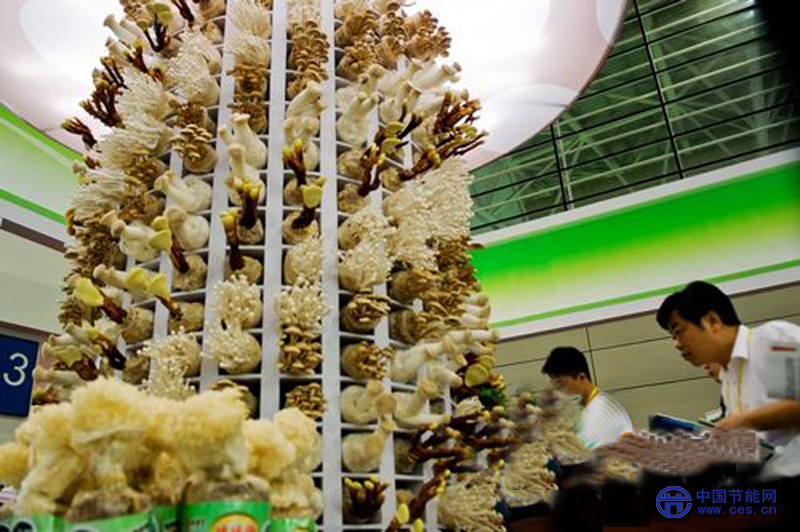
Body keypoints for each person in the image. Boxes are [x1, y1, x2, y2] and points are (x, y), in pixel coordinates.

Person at [657, 280, 800, 479]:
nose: (677, 344)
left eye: (679, 331)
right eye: (672, 336)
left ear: (713, 321)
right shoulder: (728, 376)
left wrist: (742, 422)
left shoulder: (771, 339)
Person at [541, 346, 633, 449]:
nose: (559, 393)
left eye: (561, 385)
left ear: (581, 378)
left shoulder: (601, 411)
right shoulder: (583, 408)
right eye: (555, 387)